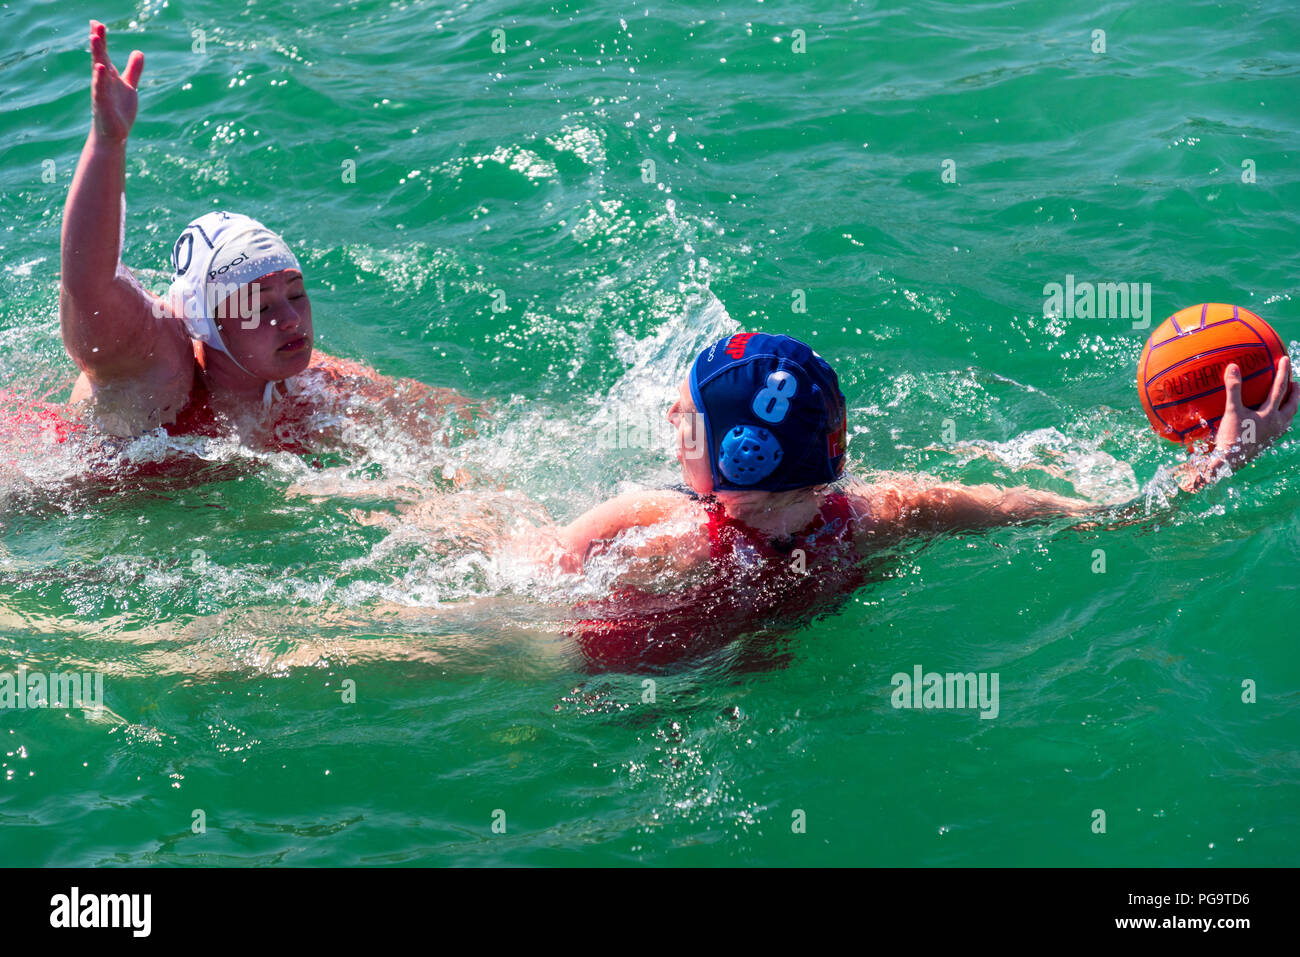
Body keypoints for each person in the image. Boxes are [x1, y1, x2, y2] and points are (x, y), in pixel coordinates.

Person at [59, 21, 481, 451]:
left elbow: (442, 415)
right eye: (259, 306)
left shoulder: (308, 380)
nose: (292, 319)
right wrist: (108, 143)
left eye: (295, 294)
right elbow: (89, 285)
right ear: (207, 323)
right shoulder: (156, 370)